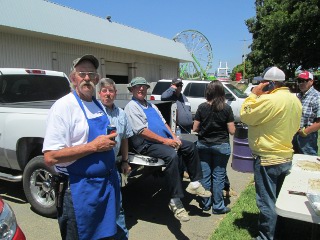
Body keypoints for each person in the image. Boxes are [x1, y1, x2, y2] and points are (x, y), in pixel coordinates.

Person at [43, 54, 120, 240]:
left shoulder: (97, 105)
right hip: (80, 193)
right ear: (73, 78)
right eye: (81, 73)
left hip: (105, 189)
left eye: (91, 74)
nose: (86, 78)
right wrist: (93, 146)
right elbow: (50, 157)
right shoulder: (63, 107)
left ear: (96, 79)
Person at [124, 77, 211, 222]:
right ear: (132, 90)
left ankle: (195, 183)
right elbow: (142, 131)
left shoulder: (151, 106)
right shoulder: (131, 107)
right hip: (146, 145)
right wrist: (166, 141)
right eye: (138, 87)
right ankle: (175, 200)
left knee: (189, 146)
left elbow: (164, 123)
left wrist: (174, 138)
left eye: (144, 87)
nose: (141, 89)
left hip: (163, 140)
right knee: (171, 155)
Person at [240, 66, 302, 240]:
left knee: (266, 201)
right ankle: (280, 231)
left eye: (262, 82)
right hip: (286, 155)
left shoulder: (269, 101)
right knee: (281, 201)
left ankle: (266, 236)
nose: (260, 85)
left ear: (270, 83)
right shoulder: (294, 99)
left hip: (268, 157)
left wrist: (253, 94)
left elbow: (245, 115)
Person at [193, 80, 235, 214]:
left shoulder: (201, 107)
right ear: (222, 92)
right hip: (221, 146)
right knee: (219, 176)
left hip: (204, 145)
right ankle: (218, 206)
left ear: (208, 92)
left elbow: (195, 128)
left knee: (205, 175)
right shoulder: (227, 108)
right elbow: (232, 131)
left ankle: (206, 204)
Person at [98, 77, 133, 240]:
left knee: (118, 206)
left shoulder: (122, 114)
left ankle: (122, 236)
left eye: (110, 90)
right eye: (104, 91)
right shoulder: (94, 113)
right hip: (96, 167)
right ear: (99, 93)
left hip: (113, 166)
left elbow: (125, 138)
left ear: (115, 93)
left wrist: (125, 161)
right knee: (99, 207)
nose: (107, 94)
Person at [292, 71, 320, 156]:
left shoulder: (317, 97)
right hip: (295, 134)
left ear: (311, 81)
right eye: (299, 81)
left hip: (308, 137)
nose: (301, 83)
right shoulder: (299, 96)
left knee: (308, 162)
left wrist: (306, 131)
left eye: (304, 81)